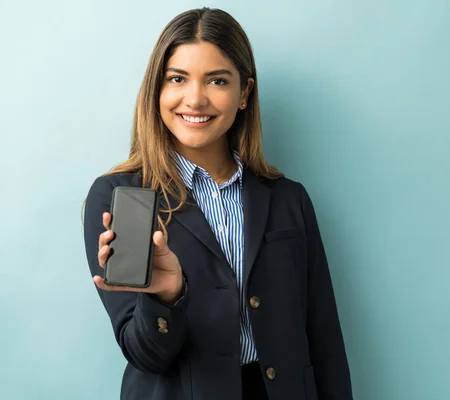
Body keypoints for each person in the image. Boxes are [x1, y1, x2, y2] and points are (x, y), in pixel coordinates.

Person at [83, 7, 352, 400]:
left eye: (217, 81)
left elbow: (324, 339)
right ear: (157, 90)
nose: (195, 99)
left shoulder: (288, 198)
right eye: (177, 79)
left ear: (243, 94)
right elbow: (145, 354)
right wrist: (165, 298)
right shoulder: (120, 198)